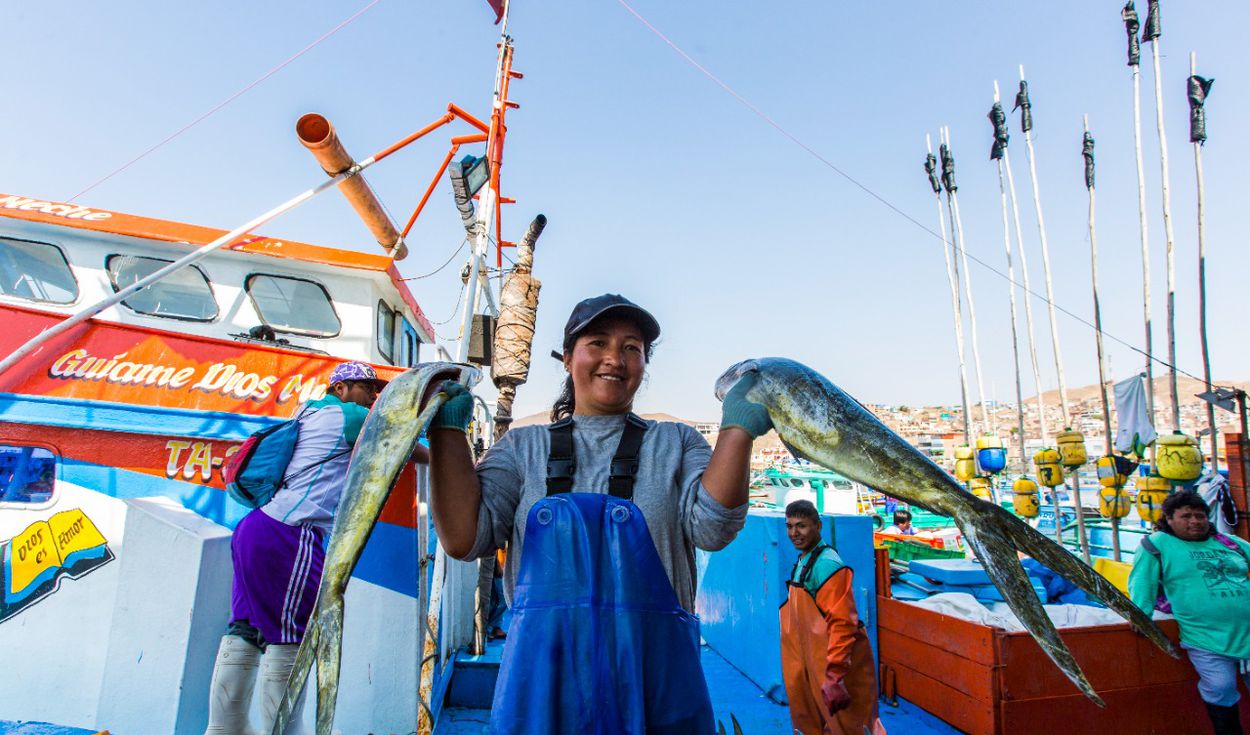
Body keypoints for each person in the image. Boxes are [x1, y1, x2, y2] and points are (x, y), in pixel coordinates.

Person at [428, 294, 767, 734]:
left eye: (631, 348)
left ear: (644, 364)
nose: (615, 358)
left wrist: (736, 429)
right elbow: (463, 538)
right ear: (568, 357)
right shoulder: (521, 448)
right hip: (541, 695)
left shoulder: (677, 443)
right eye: (598, 343)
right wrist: (447, 432)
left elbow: (713, 528)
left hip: (657, 689)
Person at [204, 361, 390, 735]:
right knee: (291, 638)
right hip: (291, 533)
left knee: (246, 628)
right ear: (341, 388)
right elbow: (397, 441)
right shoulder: (349, 416)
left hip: (255, 527)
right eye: (368, 388)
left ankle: (224, 729)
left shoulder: (307, 412)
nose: (374, 396)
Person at [1128, 490, 1250, 735]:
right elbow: (1143, 582)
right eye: (1186, 516)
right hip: (1204, 636)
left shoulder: (1231, 543)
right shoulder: (1157, 544)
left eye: (1200, 515)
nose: (1195, 521)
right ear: (1169, 519)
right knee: (1220, 686)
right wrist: (1141, 616)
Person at [781, 500, 886, 735]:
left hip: (833, 671)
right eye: (789, 526)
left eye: (801, 526)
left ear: (818, 526)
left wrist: (834, 676)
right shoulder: (804, 561)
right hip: (814, 670)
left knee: (851, 728)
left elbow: (843, 623)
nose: (794, 533)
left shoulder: (827, 564)